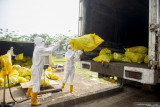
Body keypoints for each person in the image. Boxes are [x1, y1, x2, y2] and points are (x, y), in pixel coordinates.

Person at [26, 37, 64, 106]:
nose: (44, 43)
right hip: (37, 69)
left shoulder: (37, 48)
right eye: (43, 41)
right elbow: (50, 50)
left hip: (34, 68)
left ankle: (29, 94)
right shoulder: (40, 49)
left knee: (32, 81)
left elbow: (47, 52)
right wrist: (58, 43)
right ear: (40, 42)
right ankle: (33, 101)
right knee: (36, 84)